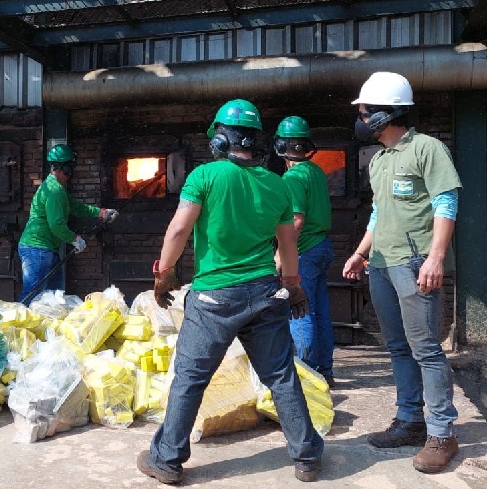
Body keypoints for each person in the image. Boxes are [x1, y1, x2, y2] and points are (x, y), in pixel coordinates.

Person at [137, 99, 324, 485]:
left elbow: (177, 231)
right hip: (264, 293)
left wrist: (164, 275)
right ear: (256, 141)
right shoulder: (276, 183)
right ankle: (306, 457)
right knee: (281, 376)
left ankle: (167, 460)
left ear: (221, 139)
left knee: (190, 377)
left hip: (214, 298)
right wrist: (294, 286)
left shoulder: (205, 176)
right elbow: (287, 245)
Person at [341, 71, 461, 474]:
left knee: (426, 349)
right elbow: (380, 211)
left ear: (386, 113)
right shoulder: (379, 161)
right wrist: (361, 252)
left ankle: (442, 432)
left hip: (415, 264)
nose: (359, 116)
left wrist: (436, 257)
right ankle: (410, 421)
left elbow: (446, 203)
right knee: (397, 348)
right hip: (381, 265)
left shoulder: (427, 149)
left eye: (364, 110)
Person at [273, 116, 335, 386]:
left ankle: (306, 375)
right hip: (322, 247)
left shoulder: (293, 177)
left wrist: (279, 256)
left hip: (304, 251)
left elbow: (296, 221)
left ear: (281, 146)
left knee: (299, 311)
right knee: (319, 310)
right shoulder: (316, 171)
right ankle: (325, 371)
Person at [17, 143, 117, 303]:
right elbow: (56, 225)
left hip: (46, 249)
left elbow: (76, 207)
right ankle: (13, 324)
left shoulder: (57, 188)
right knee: (32, 296)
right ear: (66, 168)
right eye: (71, 166)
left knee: (54, 298)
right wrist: (74, 239)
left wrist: (101, 213)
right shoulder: (54, 191)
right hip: (38, 249)